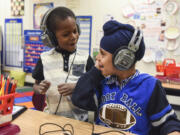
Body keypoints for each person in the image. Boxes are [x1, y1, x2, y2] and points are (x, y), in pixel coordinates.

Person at [72, 20, 180, 134]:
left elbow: (167, 122)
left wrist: (173, 131)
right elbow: (79, 99)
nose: (97, 58)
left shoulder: (149, 86)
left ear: (123, 59)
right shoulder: (103, 82)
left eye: (102, 54)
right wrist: (96, 70)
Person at [32, 6, 94, 121]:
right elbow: (35, 86)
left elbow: (94, 85)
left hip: (80, 122)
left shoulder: (86, 58)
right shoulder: (44, 59)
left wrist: (77, 87)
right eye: (66, 35)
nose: (73, 37)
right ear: (52, 38)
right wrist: (39, 88)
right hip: (50, 119)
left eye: (75, 31)